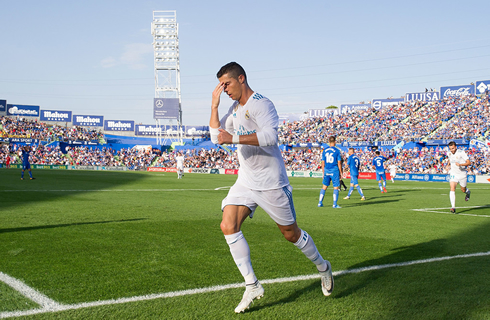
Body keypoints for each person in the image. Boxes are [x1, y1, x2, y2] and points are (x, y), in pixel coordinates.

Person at [209, 62, 333, 313]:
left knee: (291, 234)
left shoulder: (261, 104)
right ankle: (252, 285)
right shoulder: (233, 109)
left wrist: (231, 138)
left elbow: (270, 137)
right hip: (246, 180)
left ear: (241, 78)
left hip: (271, 183)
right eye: (221, 86)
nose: (225, 90)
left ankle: (323, 267)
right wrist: (214, 105)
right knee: (227, 225)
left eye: (227, 84)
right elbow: (215, 136)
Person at [446, 141, 471, 214]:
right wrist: (448, 165)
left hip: (462, 174)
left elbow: (469, 163)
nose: (452, 150)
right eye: (450, 148)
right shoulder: (449, 153)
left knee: (463, 190)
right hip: (453, 173)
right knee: (452, 188)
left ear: (455, 147)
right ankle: (453, 207)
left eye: (453, 148)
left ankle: (468, 193)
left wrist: (460, 164)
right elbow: (450, 159)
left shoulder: (461, 152)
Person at [318, 136, 343, 208]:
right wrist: (341, 172)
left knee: (324, 187)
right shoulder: (337, 151)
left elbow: (322, 163)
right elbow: (339, 162)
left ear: (329, 142)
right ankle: (334, 204)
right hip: (334, 170)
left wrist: (323, 172)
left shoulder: (324, 150)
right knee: (335, 187)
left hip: (326, 170)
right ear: (335, 142)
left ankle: (320, 202)